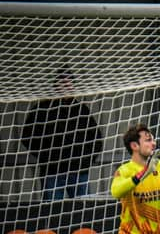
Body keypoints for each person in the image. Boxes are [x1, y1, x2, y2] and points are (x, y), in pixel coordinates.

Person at [21, 68, 103, 200]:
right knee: (52, 213)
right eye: (62, 81)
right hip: (52, 172)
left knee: (83, 213)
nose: (65, 84)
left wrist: (85, 161)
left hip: (78, 173)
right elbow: (27, 137)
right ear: (55, 84)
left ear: (73, 85)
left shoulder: (81, 110)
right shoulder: (42, 109)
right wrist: (46, 157)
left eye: (68, 81)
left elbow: (97, 139)